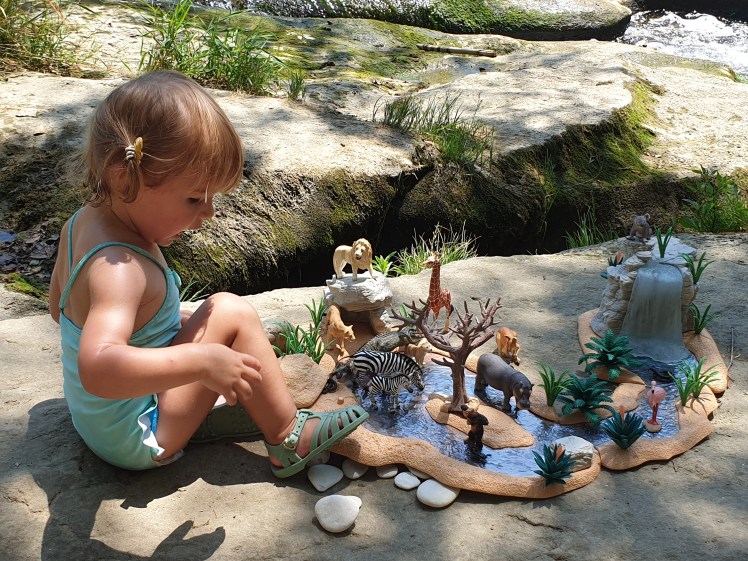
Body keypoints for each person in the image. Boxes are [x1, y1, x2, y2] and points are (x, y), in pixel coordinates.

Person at [48, 70, 368, 476]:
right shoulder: (121, 270)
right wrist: (200, 360)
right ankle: (288, 435)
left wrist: (160, 325)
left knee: (213, 315)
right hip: (140, 433)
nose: (209, 213)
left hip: (97, 423)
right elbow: (97, 370)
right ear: (123, 175)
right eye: (194, 198)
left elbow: (60, 312)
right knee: (231, 312)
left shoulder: (80, 224)